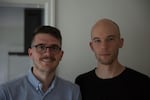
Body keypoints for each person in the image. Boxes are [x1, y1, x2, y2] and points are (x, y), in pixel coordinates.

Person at [75, 18, 150, 100]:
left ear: (121, 42)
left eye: (110, 39)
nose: (104, 47)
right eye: (97, 40)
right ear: (91, 46)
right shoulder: (81, 82)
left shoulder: (142, 83)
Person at [0, 26, 81, 100]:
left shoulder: (73, 92)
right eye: (41, 47)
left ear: (61, 55)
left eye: (54, 48)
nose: (48, 53)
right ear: (30, 53)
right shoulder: (7, 92)